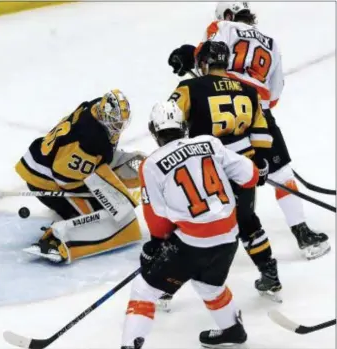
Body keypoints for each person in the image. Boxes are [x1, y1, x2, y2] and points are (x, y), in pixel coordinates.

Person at [167, 1, 330, 261]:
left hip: (216, 110)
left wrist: (187, 54)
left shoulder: (221, 26)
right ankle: (303, 234)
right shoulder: (271, 42)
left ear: (228, 14)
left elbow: (206, 63)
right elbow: (274, 94)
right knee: (281, 172)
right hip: (256, 112)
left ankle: (201, 242)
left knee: (209, 173)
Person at [121, 100, 260, 349]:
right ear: (183, 126)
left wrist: (157, 243)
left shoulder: (151, 165)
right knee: (208, 284)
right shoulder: (209, 142)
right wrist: (259, 172)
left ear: (154, 131)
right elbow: (250, 174)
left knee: (144, 290)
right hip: (229, 238)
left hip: (194, 243)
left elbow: (155, 216)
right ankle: (232, 330)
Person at [166, 40, 282, 305]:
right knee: (247, 221)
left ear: (203, 63)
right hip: (243, 167)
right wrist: (261, 163)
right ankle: (270, 274)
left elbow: (169, 121)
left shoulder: (188, 88)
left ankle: (165, 287)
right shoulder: (249, 90)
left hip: (206, 171)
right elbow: (262, 132)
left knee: (188, 224)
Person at [15, 89, 143, 264]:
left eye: (121, 123)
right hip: (45, 180)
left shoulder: (96, 106)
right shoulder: (90, 139)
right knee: (105, 216)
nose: (118, 128)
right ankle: (55, 241)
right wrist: (95, 191)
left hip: (46, 157)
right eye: (115, 123)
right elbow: (63, 178)